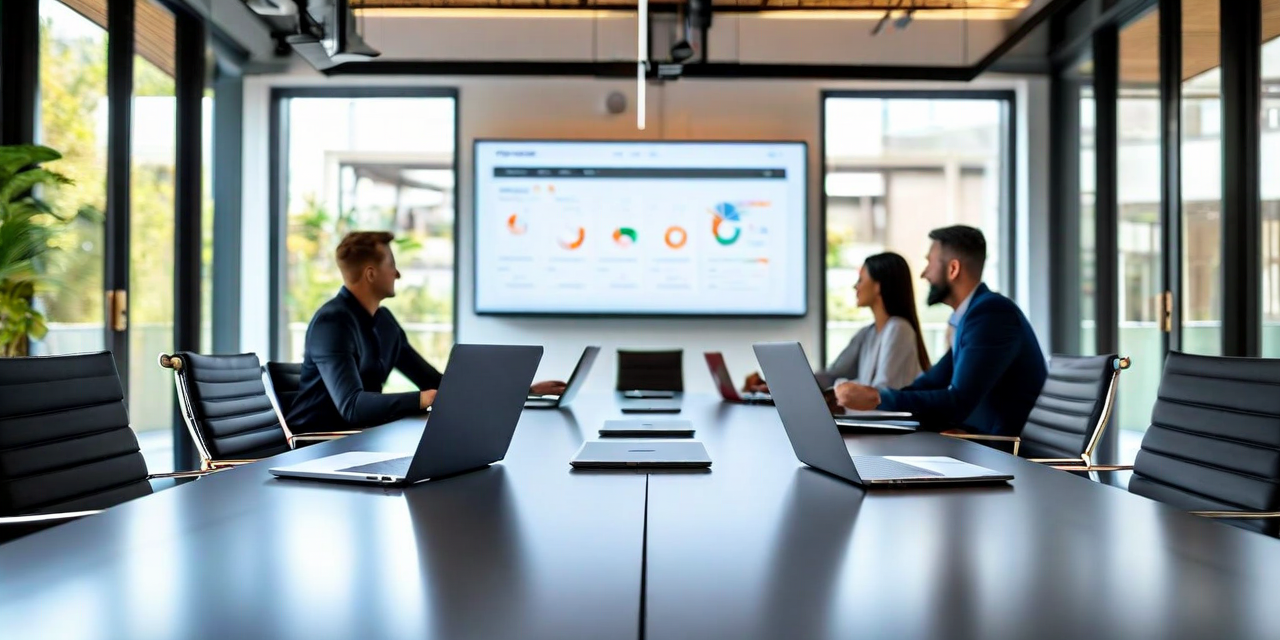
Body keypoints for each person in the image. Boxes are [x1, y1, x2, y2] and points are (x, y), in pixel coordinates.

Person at [287, 231, 565, 433]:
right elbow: (351, 406)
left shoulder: (384, 322)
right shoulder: (331, 324)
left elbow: (435, 381)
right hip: (318, 444)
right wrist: (423, 399)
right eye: (391, 265)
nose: (397, 274)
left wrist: (522, 390)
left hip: (361, 439)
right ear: (371, 274)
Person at [833, 226, 1047, 437]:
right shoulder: (972, 316)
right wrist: (879, 399)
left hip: (1004, 449)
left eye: (929, 262)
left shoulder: (991, 314)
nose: (923, 273)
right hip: (978, 440)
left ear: (953, 269)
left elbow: (957, 402)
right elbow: (932, 382)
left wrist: (878, 398)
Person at [744, 252, 930, 393]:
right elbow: (832, 374)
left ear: (878, 285)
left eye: (860, 279)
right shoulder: (868, 333)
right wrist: (780, 385)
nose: (855, 286)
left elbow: (882, 391)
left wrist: (844, 390)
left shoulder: (898, 328)